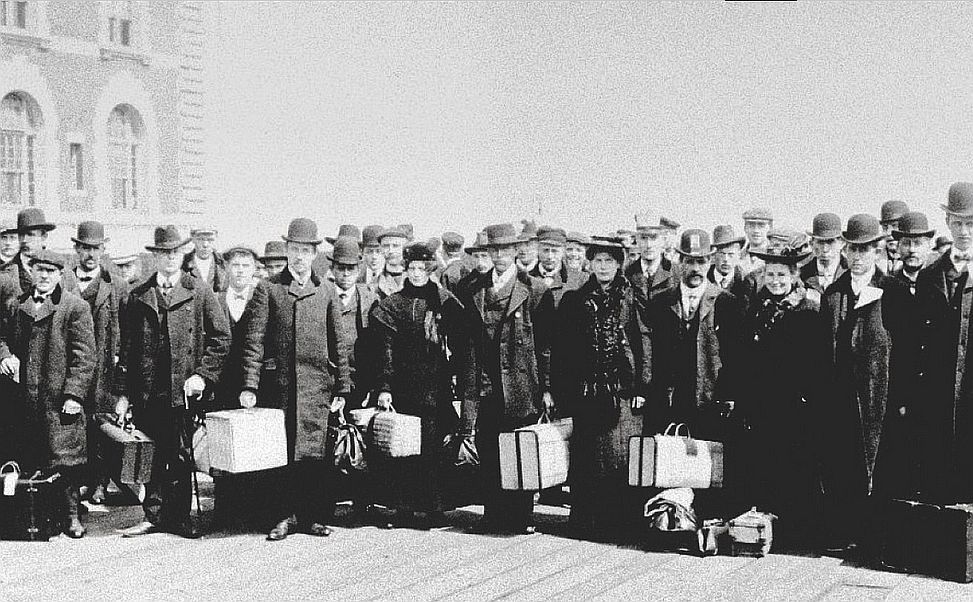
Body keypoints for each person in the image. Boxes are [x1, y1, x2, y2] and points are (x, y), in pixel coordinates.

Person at [114, 225, 230, 539]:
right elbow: (127, 348)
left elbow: (221, 339)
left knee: (180, 454)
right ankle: (153, 515)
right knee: (150, 452)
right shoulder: (138, 294)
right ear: (154, 256)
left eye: (175, 252)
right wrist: (123, 393)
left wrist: (202, 376)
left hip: (183, 390)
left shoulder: (199, 290)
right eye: (163, 253)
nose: (169, 259)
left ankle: (179, 517)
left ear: (182, 254)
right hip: (149, 389)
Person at [240, 218, 342, 541]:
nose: (299, 257)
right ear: (286, 251)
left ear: (314, 254)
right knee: (280, 454)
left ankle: (310, 516)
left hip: (316, 389)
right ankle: (282, 516)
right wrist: (249, 385)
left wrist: (343, 387)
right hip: (279, 387)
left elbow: (339, 343)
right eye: (294, 249)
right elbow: (253, 341)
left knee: (312, 454)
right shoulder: (268, 289)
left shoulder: (325, 290)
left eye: (305, 251)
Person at [455, 223, 554, 535]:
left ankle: (521, 514)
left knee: (519, 446)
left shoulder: (535, 289)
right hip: (484, 381)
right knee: (489, 444)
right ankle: (492, 513)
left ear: (515, 252)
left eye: (505, 250)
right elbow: (464, 341)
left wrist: (547, 387)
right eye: (493, 250)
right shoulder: (473, 289)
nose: (499, 256)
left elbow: (546, 345)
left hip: (521, 383)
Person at [819, 213, 904, 555]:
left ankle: (876, 536)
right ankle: (844, 533)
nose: (857, 256)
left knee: (877, 463)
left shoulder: (892, 291)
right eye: (852, 249)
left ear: (877, 251)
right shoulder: (833, 294)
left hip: (877, 394)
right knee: (842, 462)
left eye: (864, 249)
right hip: (839, 395)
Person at [645, 229, 745, 517]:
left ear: (709, 262)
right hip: (672, 399)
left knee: (707, 462)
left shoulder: (726, 302)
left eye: (700, 262)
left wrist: (729, 395)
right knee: (673, 462)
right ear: (680, 261)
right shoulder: (661, 302)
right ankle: (671, 518)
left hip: (710, 399)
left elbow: (735, 357)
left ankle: (707, 519)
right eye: (689, 261)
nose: (695, 269)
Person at [554, 236, 648, 540]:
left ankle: (620, 524)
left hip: (623, 392)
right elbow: (564, 349)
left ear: (618, 264)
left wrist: (642, 387)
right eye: (598, 261)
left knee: (620, 456)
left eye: (609, 261)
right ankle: (587, 523)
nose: (603, 266)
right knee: (589, 457)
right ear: (589, 264)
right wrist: (565, 392)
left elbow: (644, 342)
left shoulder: (632, 298)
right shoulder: (575, 299)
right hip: (587, 392)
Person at [0, 250, 95, 538]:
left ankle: (71, 516)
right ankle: (37, 516)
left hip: (57, 398)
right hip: (25, 398)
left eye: (50, 272)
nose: (43, 276)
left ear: (59, 275)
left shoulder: (74, 307)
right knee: (31, 456)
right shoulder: (16, 305)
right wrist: (4, 356)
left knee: (64, 458)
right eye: (39, 270)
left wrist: (74, 395)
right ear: (30, 272)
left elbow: (85, 357)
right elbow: (2, 337)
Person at [368, 241, 464, 528]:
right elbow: (384, 350)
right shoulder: (392, 304)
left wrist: (457, 375)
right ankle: (403, 507)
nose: (417, 273)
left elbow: (461, 339)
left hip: (436, 388)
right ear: (406, 270)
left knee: (432, 449)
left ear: (430, 269)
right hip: (404, 387)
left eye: (423, 268)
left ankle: (433, 507)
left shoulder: (444, 301)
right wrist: (384, 387)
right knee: (403, 448)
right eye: (412, 268)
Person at [740, 244, 825, 547]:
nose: (776, 280)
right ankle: (771, 528)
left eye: (781, 274)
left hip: (797, 404)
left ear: (794, 274)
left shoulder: (810, 308)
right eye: (770, 274)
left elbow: (817, 362)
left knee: (797, 465)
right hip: (765, 402)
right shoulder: (759, 306)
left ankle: (799, 532)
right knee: (768, 463)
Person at [60, 221, 129, 505]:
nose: (90, 254)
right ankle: (74, 486)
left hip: (104, 370)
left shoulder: (117, 287)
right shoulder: (63, 284)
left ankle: (100, 482)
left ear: (104, 249)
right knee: (71, 426)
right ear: (76, 249)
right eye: (85, 248)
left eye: (95, 248)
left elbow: (128, 333)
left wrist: (121, 373)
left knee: (101, 425)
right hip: (70, 366)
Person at [915, 182, 973, 503]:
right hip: (937, 396)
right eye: (959, 222)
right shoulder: (930, 275)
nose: (964, 231)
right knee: (939, 474)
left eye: (971, 223)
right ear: (948, 223)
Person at [214, 246, 261, 410]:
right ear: (226, 267)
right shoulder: (215, 300)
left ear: (254, 269)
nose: (240, 271)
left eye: (246, 266)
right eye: (235, 265)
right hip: (221, 383)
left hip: (256, 385)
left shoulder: (262, 299)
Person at [2, 208, 56, 294]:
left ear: (44, 236)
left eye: (30, 234)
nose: (24, 240)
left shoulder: (64, 273)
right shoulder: (4, 274)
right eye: (21, 234)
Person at [627, 215, 675, 305]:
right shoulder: (627, 273)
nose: (648, 245)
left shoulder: (676, 272)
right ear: (637, 240)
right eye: (643, 238)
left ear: (663, 240)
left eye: (653, 238)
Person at [529, 226, 582, 308]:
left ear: (563, 252)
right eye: (546, 250)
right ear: (538, 250)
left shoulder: (579, 279)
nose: (550, 256)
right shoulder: (526, 279)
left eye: (555, 251)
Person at [708, 225, 755, 310]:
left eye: (731, 254)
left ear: (738, 256)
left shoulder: (747, 283)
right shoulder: (704, 280)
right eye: (721, 254)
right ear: (713, 255)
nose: (726, 259)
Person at [800, 213, 847, 298]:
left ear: (842, 243)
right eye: (820, 242)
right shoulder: (801, 275)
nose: (825, 249)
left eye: (830, 241)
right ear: (812, 243)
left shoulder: (852, 274)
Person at [182, 227, 226, 292]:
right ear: (193, 239)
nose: (205, 244)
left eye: (210, 240)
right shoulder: (183, 262)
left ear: (216, 239)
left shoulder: (224, 263)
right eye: (200, 239)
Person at [376, 226, 409, 298]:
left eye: (395, 246)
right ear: (380, 249)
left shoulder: (419, 278)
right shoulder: (374, 283)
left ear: (405, 248)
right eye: (386, 246)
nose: (391, 251)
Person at [879, 200, 910, 274]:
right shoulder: (874, 258)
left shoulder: (921, 260)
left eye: (895, 226)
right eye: (885, 227)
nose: (888, 232)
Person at [740, 207, 773, 275]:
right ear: (745, 228)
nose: (756, 231)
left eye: (761, 226)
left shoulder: (777, 256)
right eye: (751, 226)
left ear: (770, 228)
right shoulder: (737, 256)